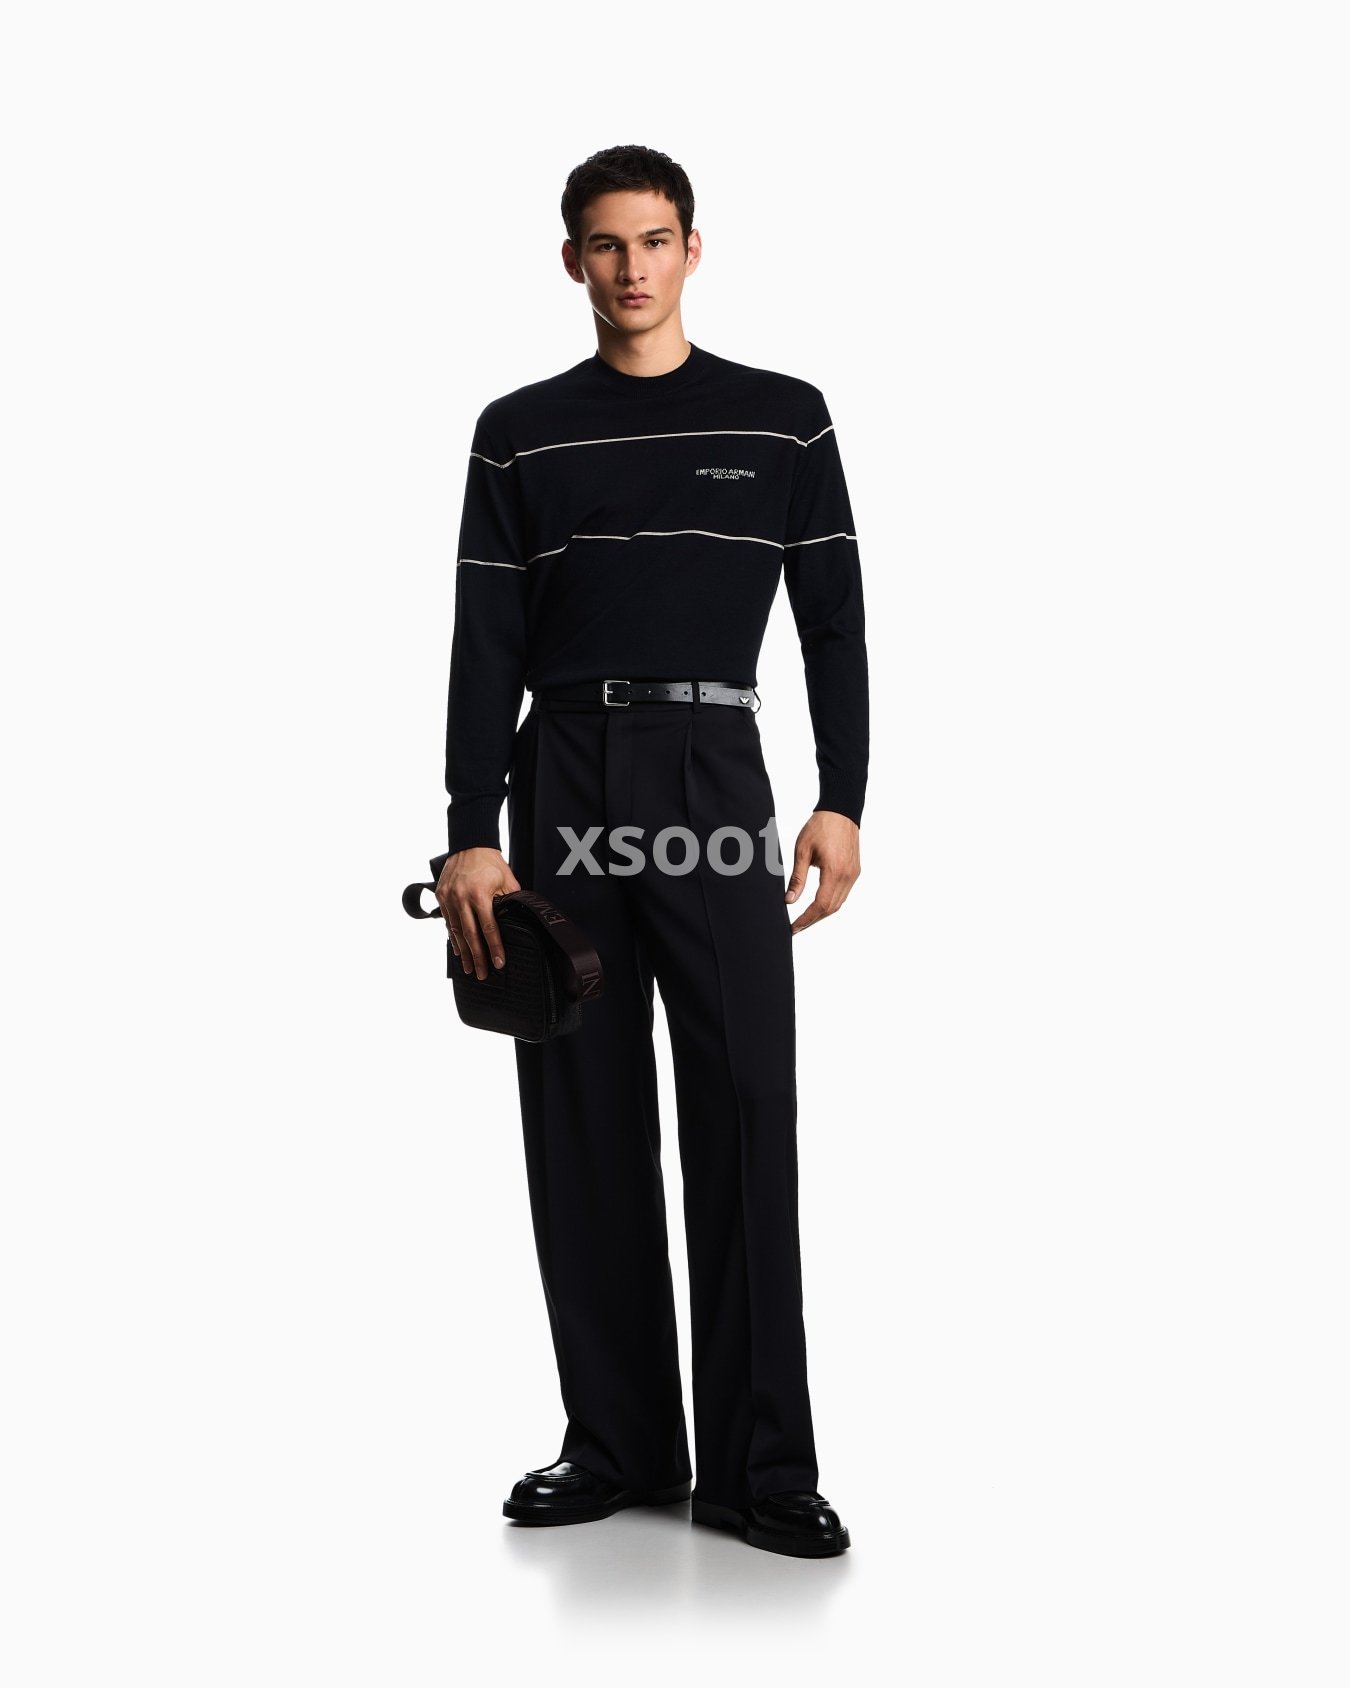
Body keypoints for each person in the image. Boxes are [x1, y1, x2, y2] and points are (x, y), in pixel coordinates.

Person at [429, 144, 868, 1559]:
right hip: (558, 771)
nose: (632, 268)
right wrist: (469, 833)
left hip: (710, 766)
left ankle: (761, 1467)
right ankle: (616, 1443)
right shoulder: (519, 431)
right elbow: (484, 638)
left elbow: (833, 623)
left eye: (655, 240)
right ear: (573, 260)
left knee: (742, 1098)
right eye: (606, 244)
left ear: (693, 249)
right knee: (580, 1105)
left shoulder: (783, 418)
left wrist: (842, 796)